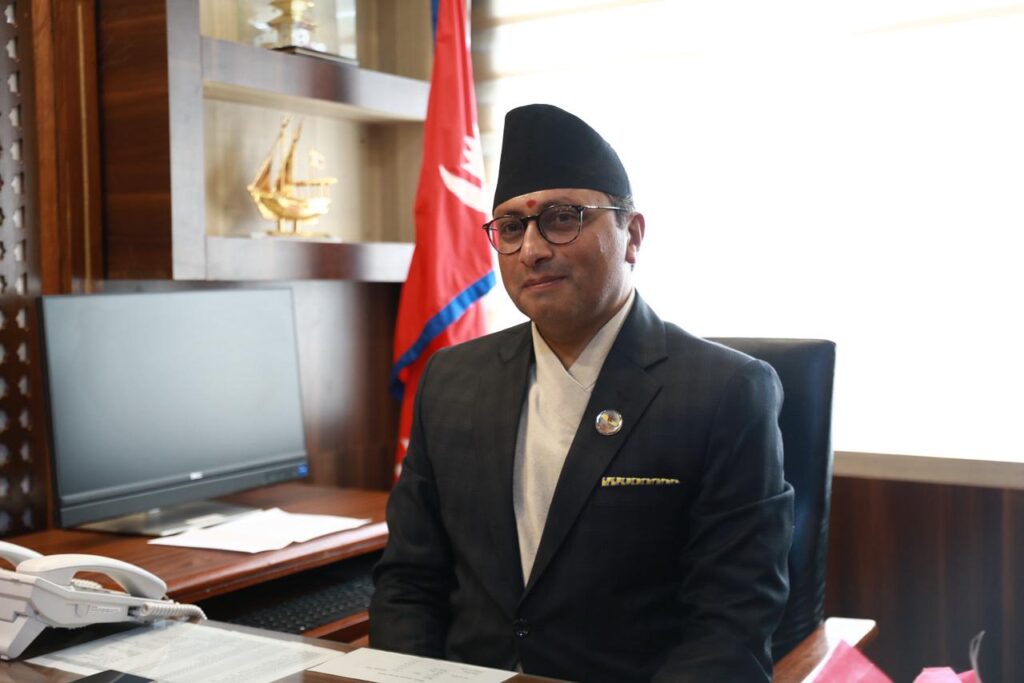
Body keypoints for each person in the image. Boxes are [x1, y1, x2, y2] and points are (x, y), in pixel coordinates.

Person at [370, 103, 794, 682]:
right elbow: (408, 582)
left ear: (631, 235)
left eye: (563, 218)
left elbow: (731, 623)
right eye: (511, 228)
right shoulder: (451, 379)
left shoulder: (724, 391)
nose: (532, 249)